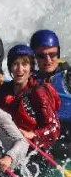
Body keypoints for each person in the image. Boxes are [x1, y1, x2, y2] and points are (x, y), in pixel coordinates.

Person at [0, 44, 60, 153]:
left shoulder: (39, 92)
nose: (19, 69)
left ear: (31, 68)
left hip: (34, 152)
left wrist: (32, 134)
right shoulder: (3, 90)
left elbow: (54, 127)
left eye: (24, 64)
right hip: (8, 147)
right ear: (10, 68)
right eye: (15, 64)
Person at [30, 29, 71, 161]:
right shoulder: (29, 80)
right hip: (49, 140)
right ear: (34, 57)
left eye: (52, 55)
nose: (48, 60)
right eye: (42, 55)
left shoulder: (68, 76)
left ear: (58, 53)